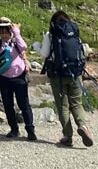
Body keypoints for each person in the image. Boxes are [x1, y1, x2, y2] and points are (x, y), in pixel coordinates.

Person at [39, 10, 94, 148]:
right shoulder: (74, 32)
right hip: (75, 73)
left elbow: (45, 53)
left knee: (63, 106)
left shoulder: (50, 35)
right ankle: (83, 126)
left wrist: (36, 46)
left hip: (57, 75)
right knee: (77, 103)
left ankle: (67, 136)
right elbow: (83, 50)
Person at [0, 17, 36, 140]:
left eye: (5, 31)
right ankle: (14, 129)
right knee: (8, 105)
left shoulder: (16, 42)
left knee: (24, 104)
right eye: (1, 32)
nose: (3, 34)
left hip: (19, 77)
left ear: (10, 30)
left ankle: (30, 130)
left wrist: (16, 32)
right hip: (4, 78)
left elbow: (23, 46)